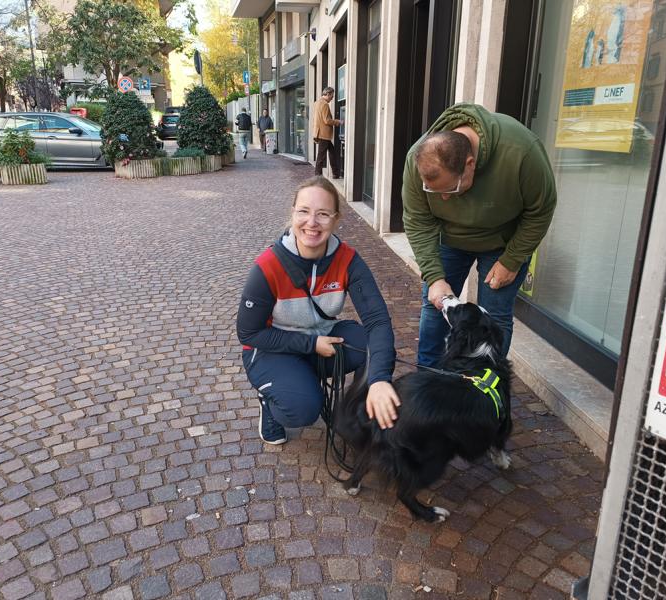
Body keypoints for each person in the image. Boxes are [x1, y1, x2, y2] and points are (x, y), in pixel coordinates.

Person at [237, 176, 401, 443]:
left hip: (322, 337)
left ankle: (356, 413)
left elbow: (377, 320)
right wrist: (311, 344)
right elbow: (248, 333)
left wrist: (379, 379)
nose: (312, 222)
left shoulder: (348, 259)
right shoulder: (267, 266)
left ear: (336, 220)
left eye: (323, 214)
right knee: (302, 409)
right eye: (304, 211)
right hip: (272, 348)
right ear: (293, 213)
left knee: (376, 349)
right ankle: (270, 400)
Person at [402, 102, 557, 368]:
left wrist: (512, 259)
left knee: (495, 316)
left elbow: (541, 209)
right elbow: (418, 221)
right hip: (448, 240)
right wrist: (434, 276)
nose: (443, 199)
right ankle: (428, 376)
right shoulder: (417, 160)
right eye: (434, 192)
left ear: (470, 164)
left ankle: (487, 383)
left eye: (450, 190)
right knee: (435, 307)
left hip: (504, 243)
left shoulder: (522, 151)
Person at [313, 87, 343, 179]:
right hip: (324, 134)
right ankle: (318, 177)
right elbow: (327, 120)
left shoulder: (317, 103)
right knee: (321, 156)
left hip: (320, 132)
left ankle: (335, 173)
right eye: (332, 96)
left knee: (332, 152)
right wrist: (338, 122)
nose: (332, 98)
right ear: (328, 94)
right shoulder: (325, 104)